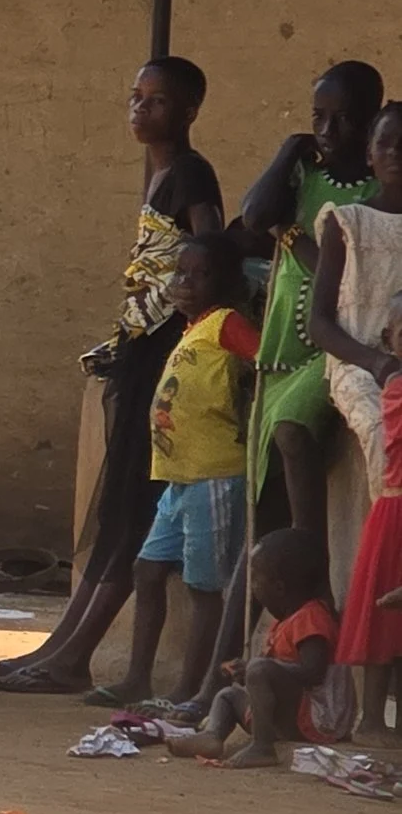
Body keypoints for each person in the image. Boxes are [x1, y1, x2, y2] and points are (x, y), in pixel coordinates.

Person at [0, 57, 221, 693]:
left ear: (189, 111)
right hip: (142, 347)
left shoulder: (193, 174)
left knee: (133, 510)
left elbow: (210, 250)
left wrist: (179, 302)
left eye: (157, 101)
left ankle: (72, 655)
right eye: (136, 97)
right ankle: (60, 646)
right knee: (120, 507)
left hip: (166, 354)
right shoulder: (159, 171)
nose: (141, 109)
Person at [89, 232, 256, 709]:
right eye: (180, 273)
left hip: (214, 475)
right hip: (179, 479)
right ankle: (138, 678)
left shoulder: (227, 323)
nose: (184, 283)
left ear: (224, 281)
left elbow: (263, 361)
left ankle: (192, 689)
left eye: (198, 274)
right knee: (147, 568)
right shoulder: (193, 329)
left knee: (205, 587)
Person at [237, 60, 380, 550]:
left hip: (335, 344)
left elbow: (338, 277)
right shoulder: (305, 174)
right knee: (261, 502)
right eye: (318, 116)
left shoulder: (377, 188)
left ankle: (309, 564)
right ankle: (274, 597)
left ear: (370, 121)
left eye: (342, 119)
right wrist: (287, 152)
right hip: (281, 352)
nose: (326, 130)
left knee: (293, 431)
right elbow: (255, 216)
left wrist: (290, 231)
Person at [182, 528, 350, 766]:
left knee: (260, 669)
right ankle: (212, 735)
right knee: (228, 695)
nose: (253, 588)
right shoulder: (284, 621)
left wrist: (257, 669)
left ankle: (262, 747)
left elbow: (314, 672)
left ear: (279, 587)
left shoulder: (311, 617)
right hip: (292, 713)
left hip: (317, 718)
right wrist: (245, 673)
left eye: (256, 580)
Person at [308, 102, 402, 492]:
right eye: (386, 144)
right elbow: (319, 322)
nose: (395, 153)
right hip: (359, 364)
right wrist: (377, 363)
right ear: (369, 154)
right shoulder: (347, 223)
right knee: (385, 433)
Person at [334, 288, 402, 745]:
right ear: (389, 340)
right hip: (396, 512)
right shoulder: (395, 389)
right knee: (383, 624)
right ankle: (372, 721)